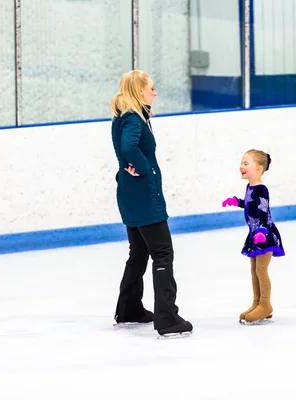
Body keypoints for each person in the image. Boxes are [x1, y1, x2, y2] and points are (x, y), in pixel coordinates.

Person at [109, 70, 192, 337]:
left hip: (130, 195)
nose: (155, 93)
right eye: (151, 88)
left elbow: (125, 153)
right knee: (162, 253)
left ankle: (129, 308)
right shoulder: (133, 119)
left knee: (139, 252)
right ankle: (167, 318)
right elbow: (129, 147)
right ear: (139, 91)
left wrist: (126, 170)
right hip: (145, 197)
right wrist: (145, 169)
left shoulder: (122, 117)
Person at [222, 149, 285, 323]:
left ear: (258, 169)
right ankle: (257, 303)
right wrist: (237, 202)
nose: (241, 166)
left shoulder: (262, 189)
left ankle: (265, 305)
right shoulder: (250, 187)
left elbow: (263, 211)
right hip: (254, 235)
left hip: (264, 235)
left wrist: (262, 231)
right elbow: (251, 205)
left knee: (261, 270)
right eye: (241, 163)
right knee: (254, 270)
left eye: (246, 163)